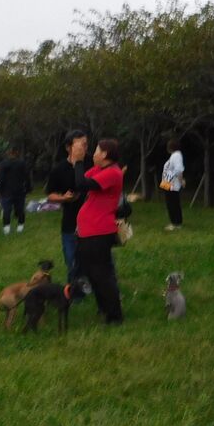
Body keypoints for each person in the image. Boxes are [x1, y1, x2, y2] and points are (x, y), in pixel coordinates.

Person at [69, 138, 124, 325]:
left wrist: (78, 161)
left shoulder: (113, 172)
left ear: (105, 154)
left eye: (96, 151)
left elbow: (82, 185)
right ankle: (104, 308)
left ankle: (115, 315)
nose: (93, 154)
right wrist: (78, 157)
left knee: (102, 274)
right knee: (93, 273)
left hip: (99, 231)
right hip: (89, 231)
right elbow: (81, 178)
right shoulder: (100, 170)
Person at [46, 131, 90, 284]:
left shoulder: (92, 163)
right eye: (80, 145)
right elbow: (50, 195)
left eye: (86, 144)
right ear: (68, 147)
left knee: (95, 260)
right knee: (72, 260)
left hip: (92, 221)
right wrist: (64, 198)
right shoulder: (59, 169)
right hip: (70, 221)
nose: (84, 148)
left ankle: (95, 286)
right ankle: (74, 290)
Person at [0, 146, 31, 235]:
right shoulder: (22, 163)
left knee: (6, 210)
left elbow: (1, 179)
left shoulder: (2, 164)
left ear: (8, 153)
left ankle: (6, 228)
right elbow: (27, 177)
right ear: (17, 153)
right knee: (20, 209)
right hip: (19, 190)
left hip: (6, 191)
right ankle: (20, 226)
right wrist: (28, 188)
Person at [161, 138, 185, 231]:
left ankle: (176, 223)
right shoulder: (174, 155)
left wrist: (181, 180)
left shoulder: (176, 155)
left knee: (172, 203)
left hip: (171, 183)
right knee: (171, 202)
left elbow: (178, 169)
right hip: (168, 182)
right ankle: (175, 222)